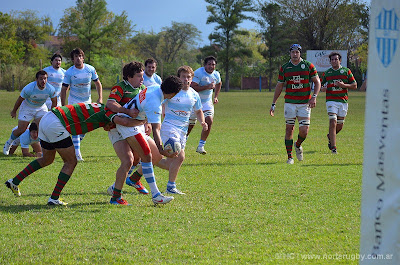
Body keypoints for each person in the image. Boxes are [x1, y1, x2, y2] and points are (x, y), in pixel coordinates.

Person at [4, 102, 146, 206]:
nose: (109, 129)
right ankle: (54, 198)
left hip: (48, 118)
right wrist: (145, 120)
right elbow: (124, 121)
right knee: (71, 162)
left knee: (46, 159)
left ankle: (14, 181)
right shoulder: (110, 114)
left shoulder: (99, 106)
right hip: (57, 123)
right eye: (112, 127)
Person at [113, 76, 182, 205]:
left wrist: (160, 151)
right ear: (173, 94)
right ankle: (156, 195)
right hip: (127, 124)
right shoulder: (155, 102)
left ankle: (128, 181)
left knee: (156, 156)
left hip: (136, 123)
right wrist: (163, 149)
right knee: (146, 155)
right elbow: (156, 130)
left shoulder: (155, 88)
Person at [104, 61, 150, 199]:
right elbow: (110, 103)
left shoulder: (143, 88)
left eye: (142, 76)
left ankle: (118, 186)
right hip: (117, 128)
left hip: (133, 127)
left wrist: (147, 123)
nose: (142, 78)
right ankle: (116, 196)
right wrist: (126, 111)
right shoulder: (121, 87)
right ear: (129, 77)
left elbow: (145, 107)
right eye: (138, 76)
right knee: (128, 160)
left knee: (137, 158)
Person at [269, 44, 321, 164]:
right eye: (293, 52)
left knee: (304, 131)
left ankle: (297, 145)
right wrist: (273, 103)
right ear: (290, 53)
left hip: (305, 104)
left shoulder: (308, 66)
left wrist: (314, 97)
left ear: (300, 53)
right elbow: (279, 86)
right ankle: (290, 157)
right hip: (290, 103)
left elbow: (317, 82)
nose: (295, 54)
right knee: (289, 129)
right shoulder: (285, 67)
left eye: (297, 52)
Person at [160, 66, 207, 194]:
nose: (186, 79)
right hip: (169, 127)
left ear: (191, 79)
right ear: (178, 78)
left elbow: (198, 110)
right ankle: (171, 187)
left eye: (188, 77)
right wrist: (161, 112)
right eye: (183, 76)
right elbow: (160, 102)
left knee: (171, 161)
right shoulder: (173, 91)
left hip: (183, 131)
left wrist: (202, 122)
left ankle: (143, 166)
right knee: (180, 156)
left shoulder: (194, 95)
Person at [61, 48, 103, 161]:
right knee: (76, 127)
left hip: (87, 102)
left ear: (83, 57)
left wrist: (100, 98)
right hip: (74, 102)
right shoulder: (69, 72)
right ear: (73, 59)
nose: (78, 58)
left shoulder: (90, 69)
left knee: (85, 127)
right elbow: (64, 89)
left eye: (80, 56)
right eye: (76, 56)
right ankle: (78, 154)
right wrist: (63, 104)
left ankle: (74, 146)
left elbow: (98, 83)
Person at [3, 70, 57, 155]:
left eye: (45, 79)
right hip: (27, 108)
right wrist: (14, 111)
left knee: (43, 128)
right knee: (21, 129)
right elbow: (20, 99)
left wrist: (53, 113)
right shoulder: (29, 88)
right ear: (36, 79)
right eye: (41, 79)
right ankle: (8, 143)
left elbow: (54, 101)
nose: (43, 81)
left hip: (41, 108)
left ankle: (44, 149)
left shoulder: (50, 89)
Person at [320, 51, 357, 154]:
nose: (334, 61)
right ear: (330, 61)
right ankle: (333, 148)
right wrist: (323, 88)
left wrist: (344, 85)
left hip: (343, 101)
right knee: (333, 121)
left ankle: (330, 137)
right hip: (331, 101)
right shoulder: (327, 73)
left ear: (340, 60)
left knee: (339, 126)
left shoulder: (346, 71)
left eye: (336, 59)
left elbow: (354, 85)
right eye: (332, 60)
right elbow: (320, 86)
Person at [186, 56, 222, 155]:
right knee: (189, 126)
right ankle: (183, 142)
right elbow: (193, 87)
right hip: (194, 102)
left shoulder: (216, 74)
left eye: (213, 64)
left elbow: (219, 83)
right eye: (209, 64)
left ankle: (201, 146)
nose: (211, 66)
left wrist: (216, 96)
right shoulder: (198, 73)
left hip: (206, 102)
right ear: (205, 65)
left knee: (209, 120)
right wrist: (207, 87)